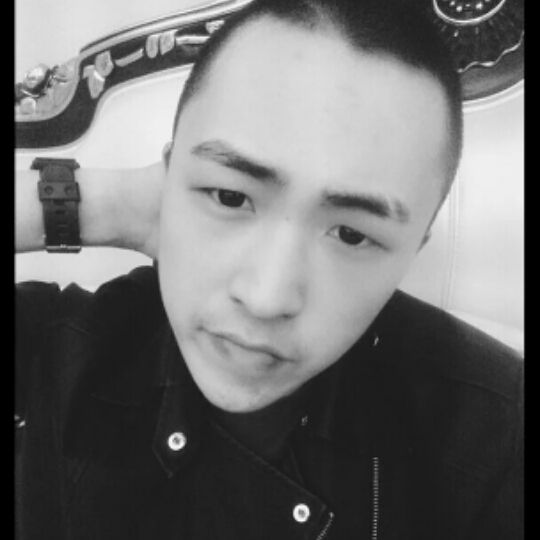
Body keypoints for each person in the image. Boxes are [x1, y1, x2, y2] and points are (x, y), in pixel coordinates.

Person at [15, 0, 523, 538]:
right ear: (166, 181)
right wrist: (105, 203)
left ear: (413, 249)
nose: (266, 298)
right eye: (230, 196)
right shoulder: (64, 354)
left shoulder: (492, 441)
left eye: (351, 235)